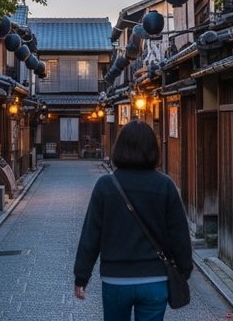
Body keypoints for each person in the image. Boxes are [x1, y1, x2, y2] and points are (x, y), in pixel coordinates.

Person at [73, 119, 192, 320]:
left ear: (119, 148)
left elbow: (91, 235)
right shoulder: (165, 186)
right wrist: (184, 269)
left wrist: (81, 277)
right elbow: (179, 234)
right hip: (154, 278)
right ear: (154, 150)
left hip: (115, 279)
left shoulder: (106, 186)